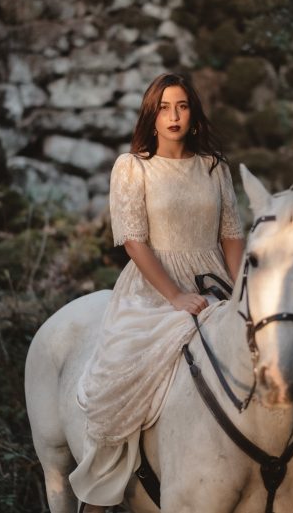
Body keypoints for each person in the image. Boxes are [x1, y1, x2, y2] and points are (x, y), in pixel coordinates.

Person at [69, 73, 245, 512]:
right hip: (154, 286)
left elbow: (232, 236)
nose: (174, 115)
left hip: (215, 281)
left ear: (193, 114)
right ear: (151, 114)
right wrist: (175, 297)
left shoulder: (214, 167)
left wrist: (242, 292)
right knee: (127, 376)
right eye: (164, 107)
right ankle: (103, 495)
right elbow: (134, 240)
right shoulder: (133, 168)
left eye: (182, 106)